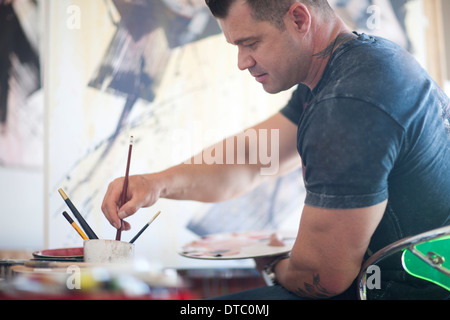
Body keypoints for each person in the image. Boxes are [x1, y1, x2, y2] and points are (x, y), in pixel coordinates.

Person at [102, 0, 450, 300]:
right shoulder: (355, 65)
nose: (242, 61)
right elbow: (251, 159)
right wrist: (155, 184)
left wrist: (272, 265)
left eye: (250, 42)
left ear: (299, 18)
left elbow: (325, 278)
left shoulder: (348, 101)